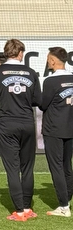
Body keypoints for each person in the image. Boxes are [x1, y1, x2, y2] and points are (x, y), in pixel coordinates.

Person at [0, 38, 41, 221]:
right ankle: (27, 208)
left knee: (12, 168)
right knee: (27, 168)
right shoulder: (31, 72)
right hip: (27, 122)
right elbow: (37, 101)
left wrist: (6, 98)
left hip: (7, 122)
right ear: (20, 53)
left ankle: (18, 211)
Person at [39, 47, 73, 217]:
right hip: (70, 127)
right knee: (67, 166)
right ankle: (67, 199)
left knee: (57, 167)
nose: (47, 62)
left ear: (53, 61)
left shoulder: (50, 81)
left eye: (48, 59)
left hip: (53, 129)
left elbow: (43, 104)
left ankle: (63, 206)